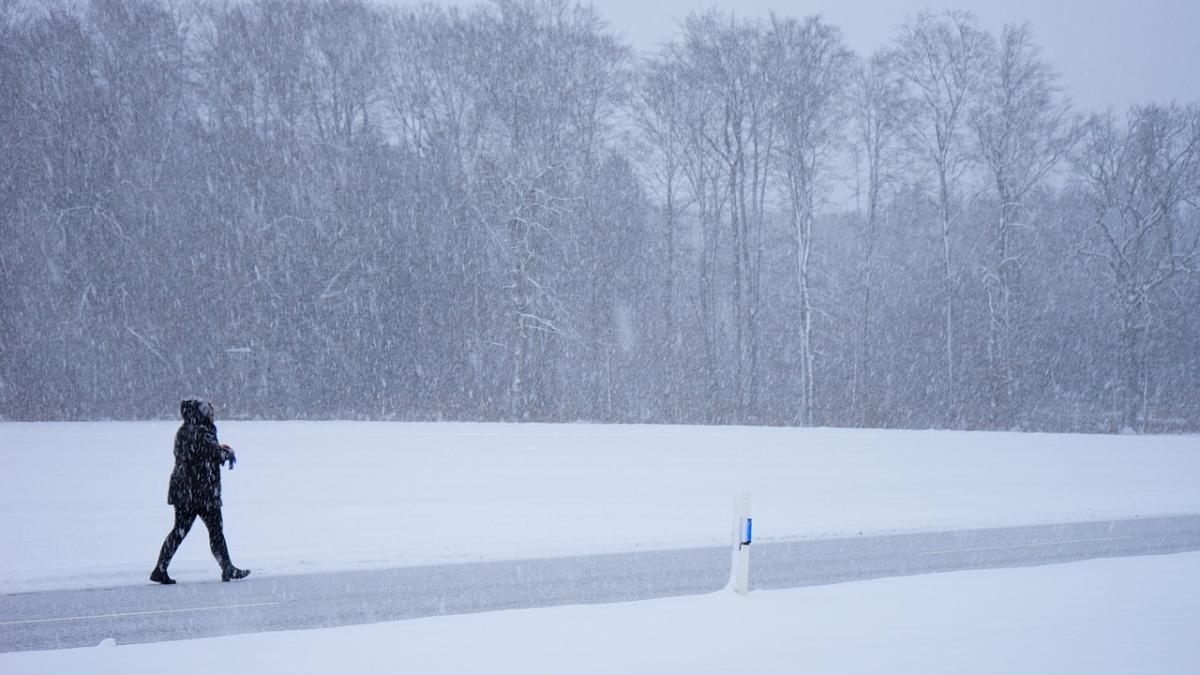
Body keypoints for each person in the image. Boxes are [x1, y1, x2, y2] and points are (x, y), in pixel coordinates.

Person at [150, 399, 250, 584]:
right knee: (215, 530)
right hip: (201, 491)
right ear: (199, 413)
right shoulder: (202, 431)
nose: (210, 413)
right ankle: (227, 568)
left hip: (184, 489)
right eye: (207, 410)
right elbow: (213, 454)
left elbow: (198, 454)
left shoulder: (184, 430)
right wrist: (227, 452)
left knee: (180, 530)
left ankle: (161, 568)